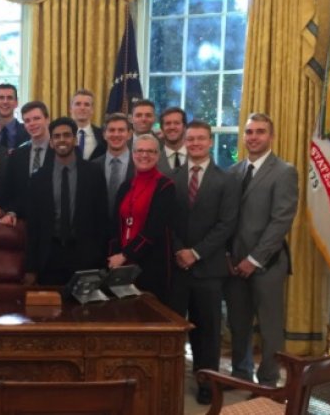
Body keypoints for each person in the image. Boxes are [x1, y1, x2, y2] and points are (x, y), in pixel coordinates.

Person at [224, 113, 298, 387]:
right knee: (238, 323)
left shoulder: (284, 171)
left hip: (268, 263)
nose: (253, 137)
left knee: (269, 327)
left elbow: (281, 221)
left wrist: (254, 260)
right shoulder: (232, 172)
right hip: (234, 264)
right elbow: (226, 221)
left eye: (260, 132)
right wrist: (229, 257)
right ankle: (240, 375)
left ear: (271, 136)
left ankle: (268, 380)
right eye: (249, 132)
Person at [169, 120, 239, 405]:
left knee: (208, 332)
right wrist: (179, 251)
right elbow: (167, 223)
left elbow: (227, 224)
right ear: (185, 142)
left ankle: (207, 381)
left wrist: (195, 253)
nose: (195, 143)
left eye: (201, 139)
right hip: (177, 267)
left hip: (208, 269)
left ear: (210, 142)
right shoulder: (172, 179)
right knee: (174, 328)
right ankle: (170, 379)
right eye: (191, 139)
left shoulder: (226, 180)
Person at [23, 117, 108, 286]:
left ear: (75, 140)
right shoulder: (39, 177)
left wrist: (101, 260)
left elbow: (102, 219)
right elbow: (33, 226)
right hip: (50, 256)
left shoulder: (93, 173)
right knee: (51, 311)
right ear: (52, 142)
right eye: (57, 136)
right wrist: (31, 267)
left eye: (67, 135)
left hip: (85, 256)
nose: (62, 140)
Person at [109, 134, 176, 304]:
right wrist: (115, 256)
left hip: (151, 264)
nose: (144, 155)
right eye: (139, 151)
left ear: (158, 156)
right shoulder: (125, 186)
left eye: (150, 151)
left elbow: (154, 229)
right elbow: (116, 224)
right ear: (133, 154)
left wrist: (125, 255)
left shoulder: (166, 186)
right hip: (123, 266)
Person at [0, 101, 52, 224]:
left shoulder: (60, 152)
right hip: (25, 222)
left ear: (47, 119)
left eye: (36, 118)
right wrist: (11, 212)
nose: (32, 124)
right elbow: (10, 191)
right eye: (27, 121)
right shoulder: (17, 155)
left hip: (56, 222)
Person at [91, 113, 134, 218]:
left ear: (129, 134)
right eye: (111, 130)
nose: (116, 134)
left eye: (121, 130)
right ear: (104, 134)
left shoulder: (139, 165)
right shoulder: (92, 166)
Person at [69, 88, 106, 160]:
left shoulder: (102, 135)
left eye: (86, 104)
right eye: (78, 104)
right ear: (71, 109)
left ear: (92, 110)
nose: (82, 108)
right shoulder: (62, 134)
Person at [0, 83, 30, 150]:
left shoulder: (28, 131)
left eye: (9, 98)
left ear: (16, 103)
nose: (5, 102)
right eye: (1, 98)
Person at [156, 107, 187, 176]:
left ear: (184, 127)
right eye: (168, 123)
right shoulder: (153, 158)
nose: (172, 127)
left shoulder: (197, 156)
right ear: (161, 128)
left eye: (176, 123)